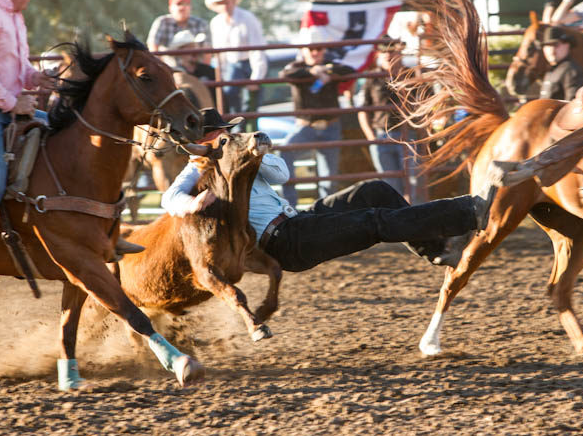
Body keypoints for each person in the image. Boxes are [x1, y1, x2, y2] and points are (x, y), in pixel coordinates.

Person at [161, 116, 499, 273]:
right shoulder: (198, 169)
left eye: (228, 132)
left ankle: (436, 251)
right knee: (374, 221)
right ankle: (469, 211)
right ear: (206, 141)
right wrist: (192, 203)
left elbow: (282, 174)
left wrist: (255, 154)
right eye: (222, 134)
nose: (230, 136)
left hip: (297, 220)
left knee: (373, 191)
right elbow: (169, 197)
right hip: (284, 241)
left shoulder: (240, 158)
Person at [0, 0, 55, 233]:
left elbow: (16, 65)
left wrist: (35, 77)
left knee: (66, 136)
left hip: (5, 107)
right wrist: (13, 103)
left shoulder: (11, 15)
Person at [279, 29, 355, 207]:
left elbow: (349, 70)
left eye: (319, 48)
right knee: (285, 151)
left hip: (330, 126)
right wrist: (313, 72)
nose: (315, 52)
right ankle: (290, 206)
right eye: (311, 49)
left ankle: (325, 211)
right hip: (307, 126)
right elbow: (286, 74)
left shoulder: (331, 65)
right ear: (303, 50)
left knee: (329, 177)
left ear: (324, 50)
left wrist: (326, 70)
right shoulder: (296, 67)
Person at [357, 40, 418, 199]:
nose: (388, 55)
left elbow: (425, 102)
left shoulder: (412, 74)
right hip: (382, 135)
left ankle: (415, 211)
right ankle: (399, 212)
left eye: (391, 51)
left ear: (399, 53)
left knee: (414, 182)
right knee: (390, 184)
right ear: (379, 54)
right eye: (384, 51)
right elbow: (362, 110)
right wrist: (371, 137)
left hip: (408, 134)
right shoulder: (372, 77)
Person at [206, 0, 267, 132]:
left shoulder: (247, 18)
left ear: (233, 1)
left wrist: (256, 76)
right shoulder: (216, 23)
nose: (224, 6)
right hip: (232, 64)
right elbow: (219, 52)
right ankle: (238, 127)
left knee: (251, 100)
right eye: (220, 3)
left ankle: (247, 129)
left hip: (251, 62)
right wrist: (221, 74)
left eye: (226, 2)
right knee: (230, 93)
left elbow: (257, 48)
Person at [147, 0, 211, 63]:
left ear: (190, 7)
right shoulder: (162, 22)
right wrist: (160, 66)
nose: (182, 7)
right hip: (169, 66)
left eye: (186, 4)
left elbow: (207, 50)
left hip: (196, 66)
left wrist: (204, 68)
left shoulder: (201, 24)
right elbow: (152, 46)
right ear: (170, 8)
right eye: (178, 4)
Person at [166, 30, 217, 107]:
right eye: (189, 48)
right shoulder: (174, 74)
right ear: (180, 51)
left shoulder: (209, 71)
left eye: (195, 47)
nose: (194, 51)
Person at [538, 27, 583, 100]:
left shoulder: (571, 70)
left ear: (567, 45)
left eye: (556, 45)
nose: (552, 50)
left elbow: (572, 102)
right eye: (548, 45)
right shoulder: (552, 69)